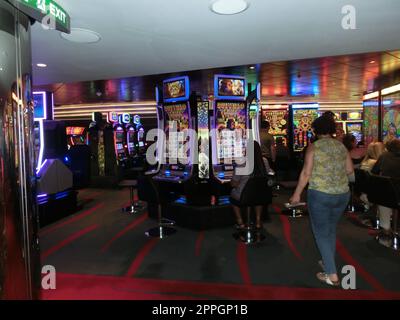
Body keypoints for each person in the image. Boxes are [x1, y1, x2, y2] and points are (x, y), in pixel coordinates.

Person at [289, 115, 354, 286]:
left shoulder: (313, 147)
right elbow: (349, 170)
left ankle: (331, 275)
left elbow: (306, 173)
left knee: (321, 233)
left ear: (315, 131)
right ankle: (327, 262)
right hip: (342, 194)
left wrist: (296, 194)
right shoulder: (341, 146)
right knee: (330, 229)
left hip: (320, 195)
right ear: (332, 130)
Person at [231, 141, 270, 230]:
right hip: (261, 194)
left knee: (232, 194)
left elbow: (233, 183)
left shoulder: (241, 162)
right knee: (257, 196)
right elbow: (267, 175)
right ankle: (258, 221)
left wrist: (240, 183)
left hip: (245, 195)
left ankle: (240, 222)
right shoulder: (264, 161)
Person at [371, 138, 400, 245]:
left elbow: (374, 171)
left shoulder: (383, 156)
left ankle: (386, 229)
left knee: (384, 196)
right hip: (395, 193)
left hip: (387, 193)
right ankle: (394, 229)